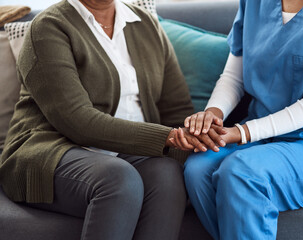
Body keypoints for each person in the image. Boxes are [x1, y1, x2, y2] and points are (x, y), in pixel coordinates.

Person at [0, 0, 223, 239]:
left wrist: (193, 135)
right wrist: (168, 137)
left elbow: (176, 109)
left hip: (126, 154)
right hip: (49, 151)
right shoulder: (48, 28)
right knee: (118, 179)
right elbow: (77, 121)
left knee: (167, 174)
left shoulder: (145, 23)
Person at [172, 0, 303, 239]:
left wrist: (240, 133)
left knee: (241, 173)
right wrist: (213, 115)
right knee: (198, 169)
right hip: (263, 136)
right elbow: (233, 77)